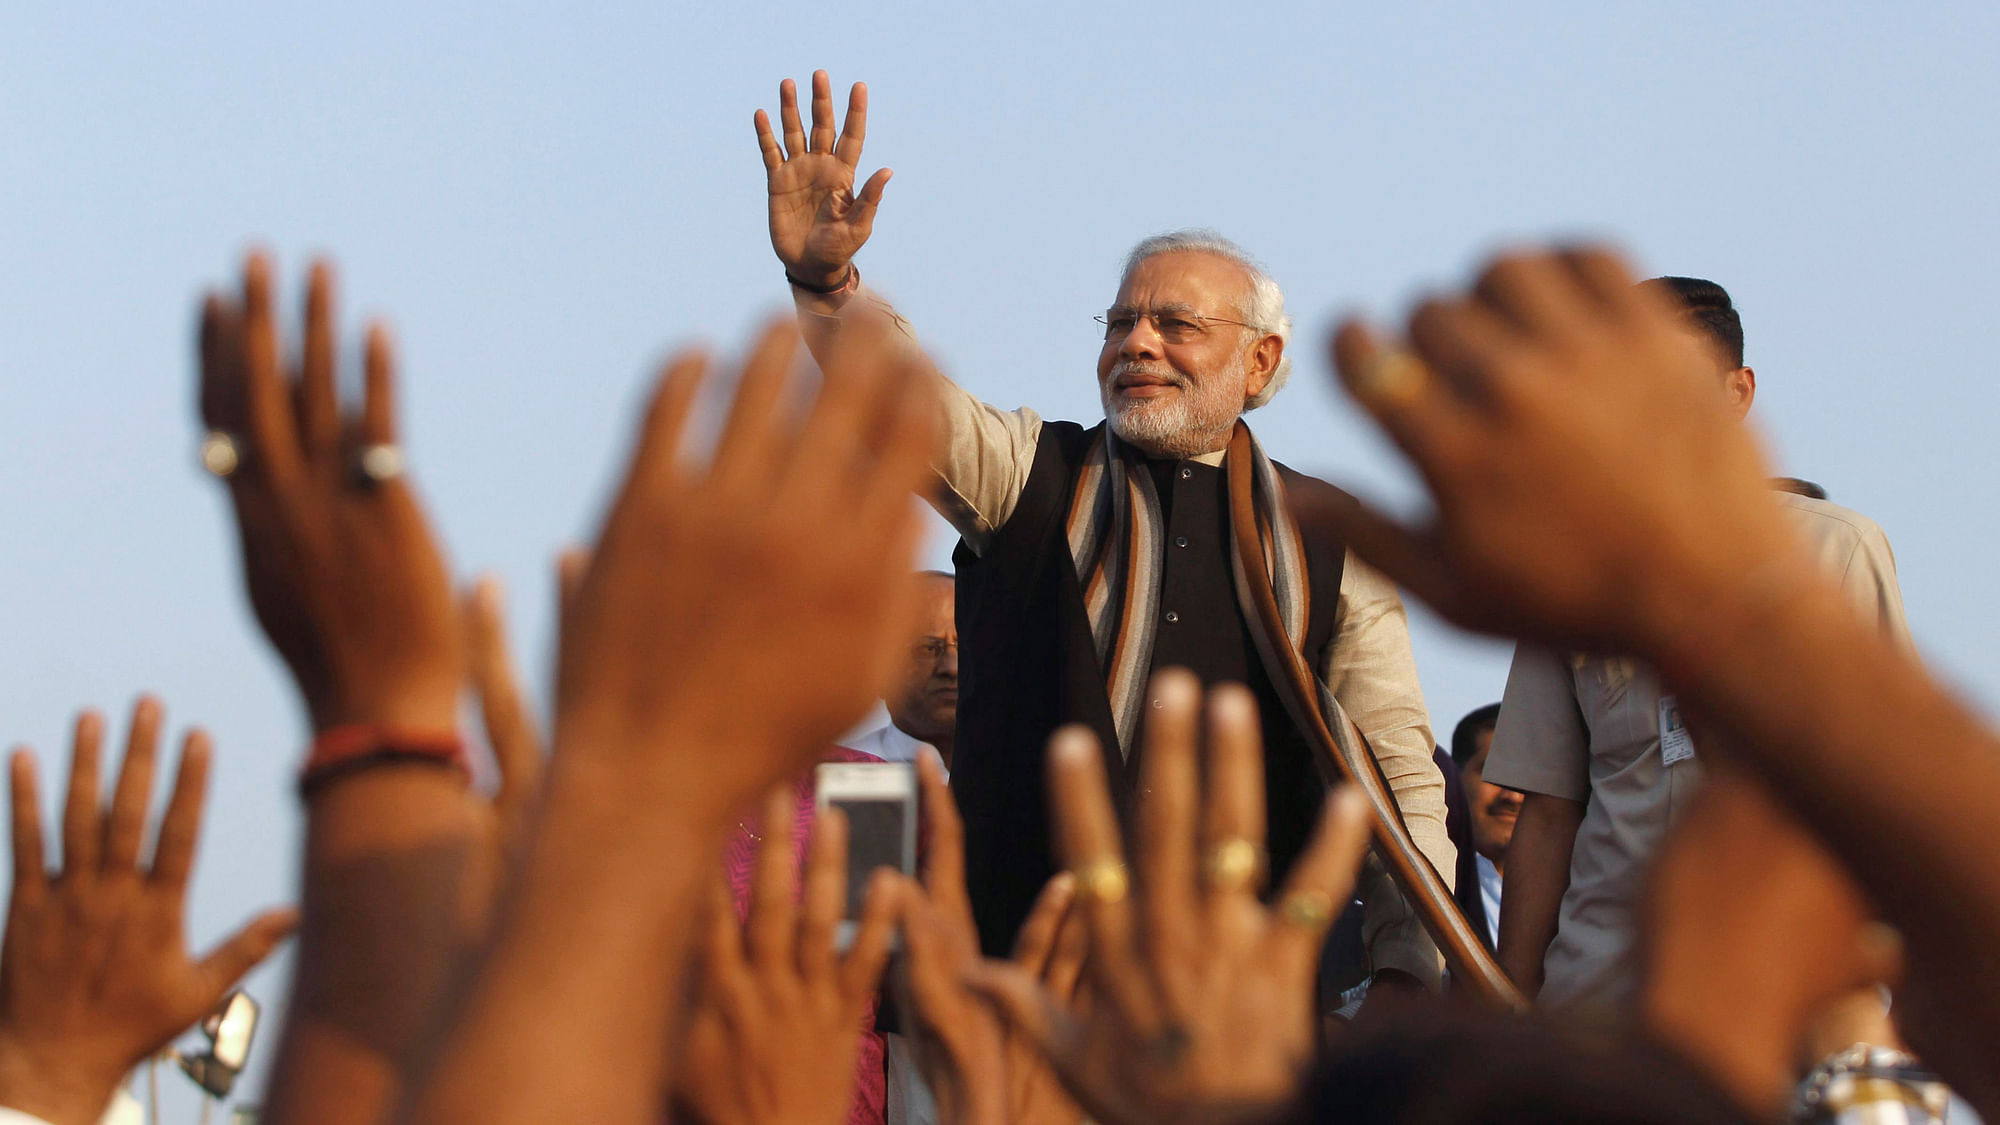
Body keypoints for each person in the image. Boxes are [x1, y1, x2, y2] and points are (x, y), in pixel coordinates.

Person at [754, 71, 1453, 989]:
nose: (1138, 343)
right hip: (1026, 993)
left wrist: (1415, 978)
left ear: (1262, 360)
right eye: (1121, 321)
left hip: (1237, 1010)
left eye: (1175, 323)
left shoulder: (1328, 536)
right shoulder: (1035, 476)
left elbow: (1393, 769)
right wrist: (828, 283)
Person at [1484, 276, 1911, 1018]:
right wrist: (1513, 1007)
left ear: (1737, 393)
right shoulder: (1568, 569)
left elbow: (1890, 790)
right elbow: (1547, 813)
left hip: (1789, 1005)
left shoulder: (1836, 549)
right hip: (1605, 1004)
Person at [846, 570, 958, 774]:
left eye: (967, 647)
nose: (951, 668)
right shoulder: (829, 780)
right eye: (927, 649)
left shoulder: (1025, 775)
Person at [1449, 704, 1513, 952]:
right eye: (1495, 773)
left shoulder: (1581, 904)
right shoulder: (1422, 890)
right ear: (1454, 779)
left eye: (1528, 779)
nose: (1512, 796)